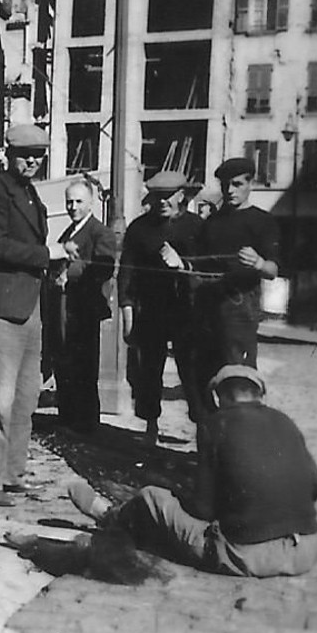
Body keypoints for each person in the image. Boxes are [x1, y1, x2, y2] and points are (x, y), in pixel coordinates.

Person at [67, 365, 317, 578]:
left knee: (152, 497)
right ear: (261, 396)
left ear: (216, 398)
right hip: (306, 551)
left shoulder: (214, 425)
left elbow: (202, 509)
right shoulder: (285, 421)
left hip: (248, 555)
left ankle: (107, 514)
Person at [0, 122, 66, 506]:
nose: (32, 161)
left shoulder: (29, 193)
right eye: (25, 155)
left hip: (29, 306)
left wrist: (50, 264)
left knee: (25, 399)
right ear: (9, 154)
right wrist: (47, 255)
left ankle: (13, 474)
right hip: (4, 307)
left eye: (38, 155)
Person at [117, 169, 208, 444]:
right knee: (149, 371)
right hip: (151, 310)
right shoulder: (139, 228)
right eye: (157, 196)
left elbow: (209, 270)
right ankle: (151, 426)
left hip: (188, 311)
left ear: (182, 195)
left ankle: (202, 425)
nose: (162, 202)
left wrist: (184, 265)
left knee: (192, 371)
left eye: (168, 196)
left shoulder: (198, 228)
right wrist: (127, 314)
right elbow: (126, 274)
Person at [192, 157, 282, 383]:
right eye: (225, 185)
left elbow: (273, 270)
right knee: (205, 371)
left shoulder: (263, 221)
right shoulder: (211, 222)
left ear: (250, 184)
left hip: (242, 307)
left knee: (238, 374)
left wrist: (259, 263)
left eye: (237, 184)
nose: (230, 190)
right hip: (209, 303)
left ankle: (240, 417)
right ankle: (210, 419)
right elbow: (198, 265)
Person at [43, 179, 115, 434]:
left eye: (78, 201)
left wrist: (70, 273)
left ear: (91, 203)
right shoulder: (69, 232)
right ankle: (68, 417)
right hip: (64, 307)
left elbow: (104, 268)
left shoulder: (100, 232)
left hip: (84, 309)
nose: (72, 207)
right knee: (64, 360)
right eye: (69, 202)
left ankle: (85, 423)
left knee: (83, 365)